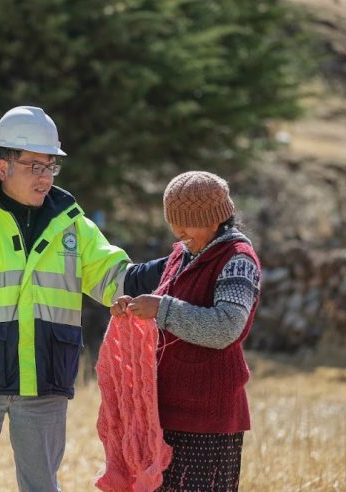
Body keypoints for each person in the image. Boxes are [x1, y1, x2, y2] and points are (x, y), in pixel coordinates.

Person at [0, 106, 131, 491]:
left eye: (50, 166)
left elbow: (113, 277)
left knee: (42, 486)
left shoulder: (71, 222)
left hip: (45, 378)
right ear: (3, 167)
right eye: (34, 166)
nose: (45, 177)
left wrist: (170, 273)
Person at [111, 171, 262, 491]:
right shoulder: (182, 254)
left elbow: (226, 327)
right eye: (174, 222)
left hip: (208, 418)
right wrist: (134, 309)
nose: (178, 231)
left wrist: (161, 309)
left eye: (187, 222)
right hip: (167, 411)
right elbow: (162, 310)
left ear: (214, 219)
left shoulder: (237, 260)